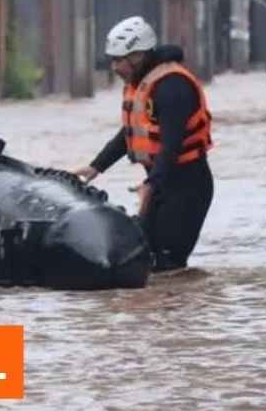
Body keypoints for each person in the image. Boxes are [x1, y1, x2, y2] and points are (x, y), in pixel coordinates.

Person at [73, 16, 214, 272]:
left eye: (119, 61)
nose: (114, 68)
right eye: (112, 60)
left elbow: (170, 145)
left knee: (170, 266)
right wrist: (96, 166)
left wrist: (150, 185)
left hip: (187, 185)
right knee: (145, 259)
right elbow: (131, 133)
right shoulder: (141, 83)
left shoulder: (173, 86)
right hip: (159, 182)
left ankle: (178, 309)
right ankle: (150, 311)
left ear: (137, 56)